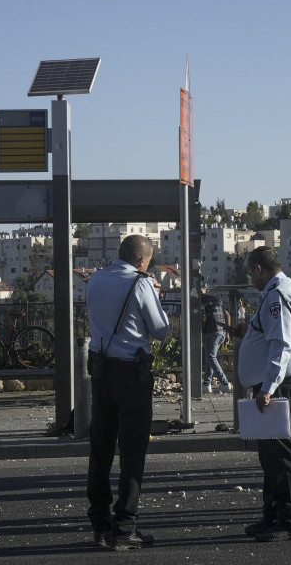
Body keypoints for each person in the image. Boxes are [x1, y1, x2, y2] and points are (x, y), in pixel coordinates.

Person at [84, 234, 171, 550]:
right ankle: (124, 528)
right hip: (132, 374)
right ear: (143, 260)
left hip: (101, 370)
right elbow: (161, 331)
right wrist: (155, 296)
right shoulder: (141, 283)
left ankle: (99, 524)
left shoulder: (94, 280)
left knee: (101, 450)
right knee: (132, 453)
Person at [237, 246, 291, 542]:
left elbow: (280, 344)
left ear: (258, 268)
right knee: (271, 454)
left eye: (249, 271)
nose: (249, 278)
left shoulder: (277, 294)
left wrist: (268, 388)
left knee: (281, 454)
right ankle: (273, 515)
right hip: (286, 380)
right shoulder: (288, 288)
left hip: (281, 382)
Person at [201, 291, 232, 394]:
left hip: (212, 331)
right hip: (222, 331)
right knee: (210, 356)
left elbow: (204, 318)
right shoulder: (216, 299)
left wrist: (203, 334)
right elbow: (227, 315)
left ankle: (225, 383)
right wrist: (227, 334)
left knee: (210, 357)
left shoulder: (200, 300)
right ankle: (206, 384)